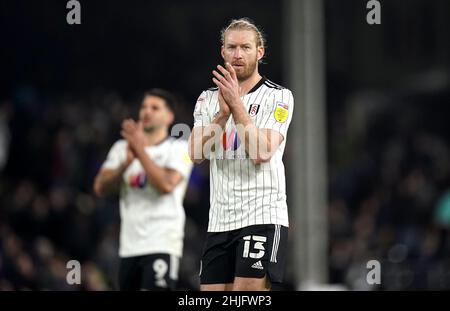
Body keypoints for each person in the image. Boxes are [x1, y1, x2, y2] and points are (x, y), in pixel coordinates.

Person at [188, 18, 294, 291]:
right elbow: (196, 154)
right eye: (231, 47)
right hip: (220, 220)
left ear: (260, 52)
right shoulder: (207, 99)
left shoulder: (279, 97)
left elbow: (261, 152)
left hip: (261, 216)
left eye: (245, 47)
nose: (237, 54)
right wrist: (222, 114)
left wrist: (236, 104)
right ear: (222, 51)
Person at [94, 89, 193, 290]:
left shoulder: (179, 149)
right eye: (144, 107)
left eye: (155, 108)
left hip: (161, 243)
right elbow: (100, 188)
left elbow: (166, 184)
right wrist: (124, 164)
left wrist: (140, 151)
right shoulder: (122, 148)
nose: (147, 112)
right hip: (129, 247)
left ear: (169, 116)